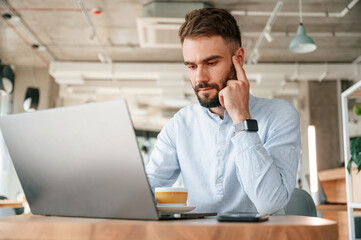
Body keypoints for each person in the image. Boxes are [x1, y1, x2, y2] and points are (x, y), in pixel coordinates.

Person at [146, 8, 301, 215]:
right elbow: (146, 190)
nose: (200, 77)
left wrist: (241, 119)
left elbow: (269, 204)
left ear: (238, 58)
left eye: (211, 63)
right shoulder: (180, 124)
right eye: (191, 66)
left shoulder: (280, 115)